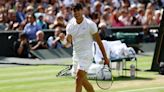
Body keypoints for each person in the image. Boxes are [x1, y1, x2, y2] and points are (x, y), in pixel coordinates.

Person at [65, 3, 110, 92]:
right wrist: (65, 40)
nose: (76, 13)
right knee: (82, 80)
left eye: (78, 10)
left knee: (78, 79)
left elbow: (99, 42)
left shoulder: (90, 24)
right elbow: (67, 44)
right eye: (74, 11)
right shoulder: (70, 25)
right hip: (76, 55)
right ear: (72, 12)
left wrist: (105, 58)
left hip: (87, 55)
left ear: (82, 11)